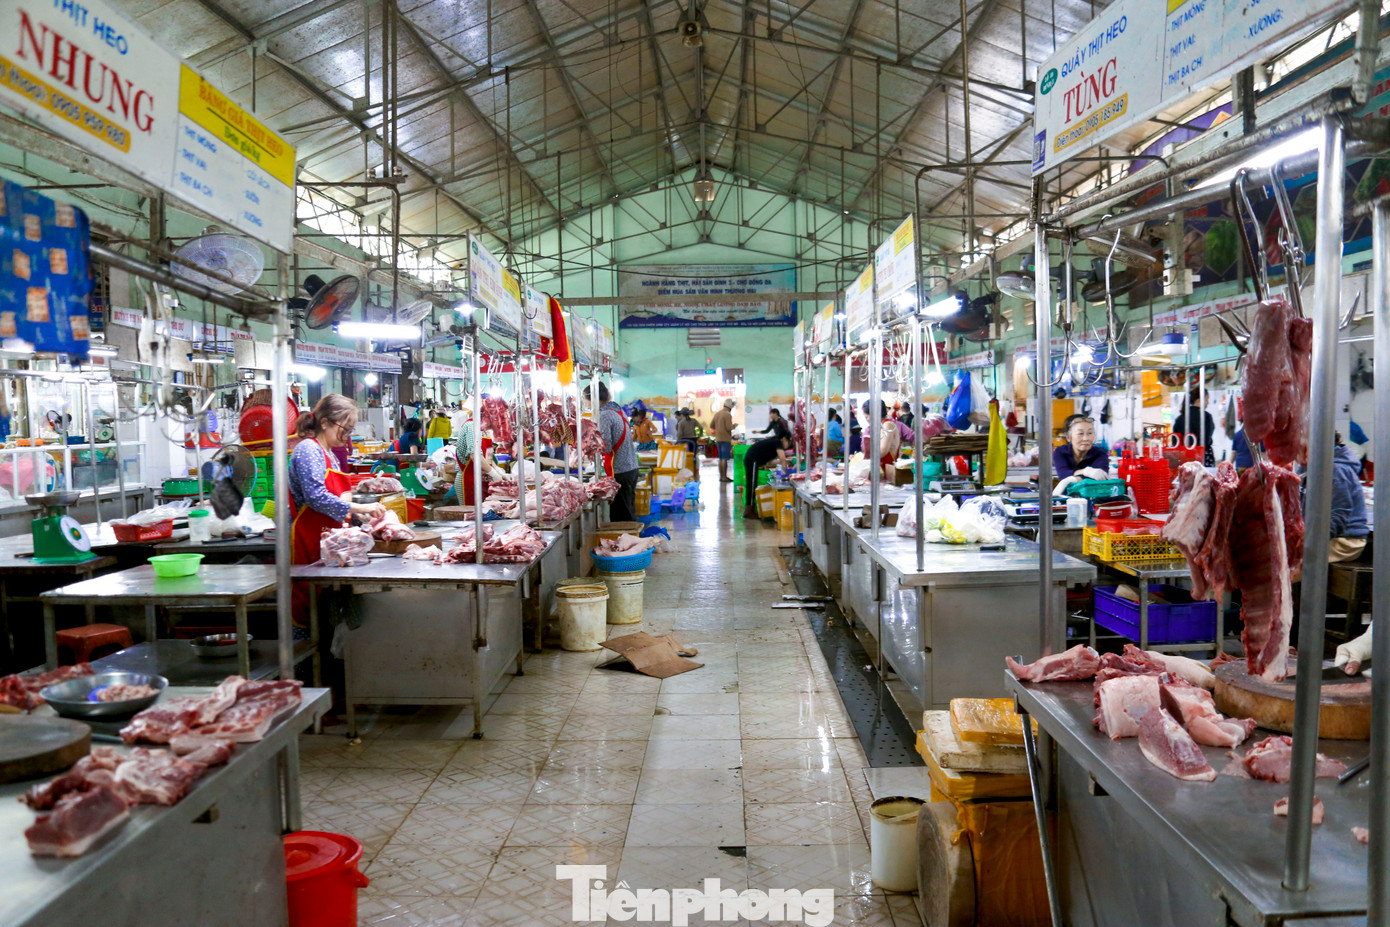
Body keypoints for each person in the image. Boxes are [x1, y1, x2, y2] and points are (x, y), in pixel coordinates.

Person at [290, 395, 385, 624]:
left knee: (328, 612)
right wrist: (359, 506)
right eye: (346, 428)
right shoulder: (308, 450)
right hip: (310, 541)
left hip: (329, 542)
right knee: (311, 608)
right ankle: (306, 657)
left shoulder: (329, 454)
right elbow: (316, 497)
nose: (348, 435)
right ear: (325, 423)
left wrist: (356, 515)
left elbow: (334, 498)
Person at [598, 382, 640, 522]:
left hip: (620, 470)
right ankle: (632, 540)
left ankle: (626, 543)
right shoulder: (619, 411)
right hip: (631, 467)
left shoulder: (604, 415)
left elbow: (606, 446)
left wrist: (591, 445)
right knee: (628, 511)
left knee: (620, 516)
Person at [1329, 433, 1369, 562]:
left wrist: (1306, 541)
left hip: (1347, 541)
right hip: (1332, 535)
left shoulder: (1337, 470)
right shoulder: (1306, 466)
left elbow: (1338, 515)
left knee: (1283, 566)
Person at [743, 433, 791, 519]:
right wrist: (785, 471)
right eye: (789, 442)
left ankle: (750, 509)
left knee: (752, 483)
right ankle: (749, 510)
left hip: (752, 459)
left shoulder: (773, 444)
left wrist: (786, 462)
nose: (787, 446)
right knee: (752, 484)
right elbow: (782, 458)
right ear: (785, 439)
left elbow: (771, 462)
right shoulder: (778, 442)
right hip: (752, 460)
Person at [1053, 414, 1109, 481]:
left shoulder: (1100, 454)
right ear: (1069, 437)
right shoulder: (1060, 452)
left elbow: (1100, 478)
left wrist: (1073, 476)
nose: (1086, 438)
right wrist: (1086, 472)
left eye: (1090, 433)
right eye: (1080, 433)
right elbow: (1063, 475)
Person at [453, 421, 495, 506]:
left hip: (481, 479)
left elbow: (486, 455)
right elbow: (475, 455)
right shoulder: (472, 426)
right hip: (468, 479)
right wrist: (493, 473)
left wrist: (497, 469)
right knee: (471, 514)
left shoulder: (483, 430)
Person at [1170, 390, 1216, 466]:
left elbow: (1175, 442)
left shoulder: (1180, 418)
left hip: (1184, 458)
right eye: (1207, 399)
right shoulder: (1206, 416)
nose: (1208, 403)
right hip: (1203, 458)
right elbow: (1207, 439)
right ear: (1199, 400)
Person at [710, 398, 736, 483]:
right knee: (724, 458)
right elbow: (729, 428)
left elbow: (712, 425)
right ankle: (724, 477)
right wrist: (734, 426)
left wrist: (719, 428)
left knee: (721, 458)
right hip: (725, 439)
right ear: (730, 407)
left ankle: (721, 476)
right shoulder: (727, 414)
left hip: (718, 439)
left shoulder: (717, 414)